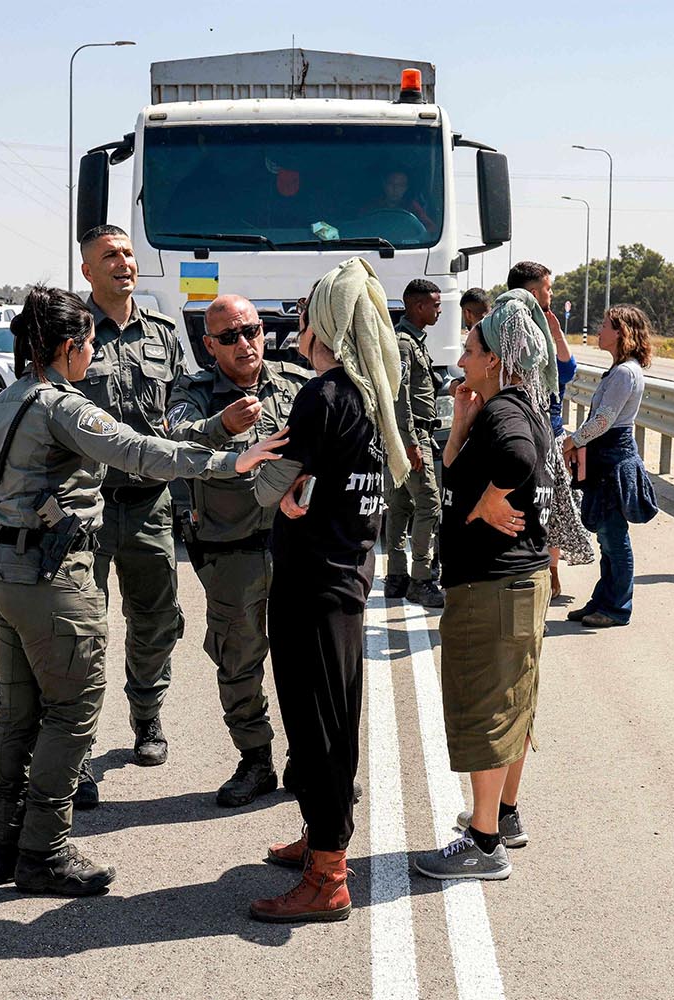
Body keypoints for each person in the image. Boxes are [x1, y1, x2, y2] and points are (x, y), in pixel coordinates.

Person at [0, 287, 285, 896]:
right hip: (53, 579)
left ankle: (4, 845)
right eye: (88, 345)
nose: (93, 356)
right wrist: (230, 463)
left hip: (4, 571)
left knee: (18, 714)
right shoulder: (63, 406)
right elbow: (140, 452)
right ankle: (45, 851)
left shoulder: (3, 401)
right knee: (69, 715)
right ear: (69, 347)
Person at [248, 257, 409, 923]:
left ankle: (327, 878)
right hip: (346, 578)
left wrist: (273, 481)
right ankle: (321, 840)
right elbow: (321, 480)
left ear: (328, 322)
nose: (300, 321)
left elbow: (273, 482)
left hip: (312, 584)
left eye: (309, 310)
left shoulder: (324, 395)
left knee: (317, 729)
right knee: (334, 719)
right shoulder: (372, 394)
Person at [415, 289, 554, 881]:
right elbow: (453, 477)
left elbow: (519, 463)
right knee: (512, 705)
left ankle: (484, 841)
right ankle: (506, 815)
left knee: (486, 709)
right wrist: (460, 428)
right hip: (513, 588)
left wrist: (486, 504)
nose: (463, 357)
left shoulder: (506, 417)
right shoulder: (509, 407)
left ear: (495, 357)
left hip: (492, 591)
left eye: (470, 348)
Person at [167, 294, 309, 807]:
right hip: (233, 555)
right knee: (239, 661)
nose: (244, 343)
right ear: (210, 345)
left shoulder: (296, 384)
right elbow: (178, 444)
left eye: (250, 330)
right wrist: (221, 427)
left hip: (297, 548)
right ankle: (255, 761)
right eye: (229, 337)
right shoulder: (196, 393)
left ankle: (307, 762)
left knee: (305, 659)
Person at [77, 224, 187, 773]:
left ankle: (148, 718)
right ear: (87, 271)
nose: (123, 262)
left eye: (127, 253)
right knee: (82, 627)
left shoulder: (164, 335)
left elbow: (182, 407)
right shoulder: (71, 335)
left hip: (149, 504)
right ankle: (79, 748)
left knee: (156, 618)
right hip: (87, 506)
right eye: (110, 256)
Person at [562, 305, 659, 628]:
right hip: (607, 458)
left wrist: (572, 441)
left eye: (604, 325)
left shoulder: (624, 373)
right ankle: (602, 600)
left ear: (621, 332)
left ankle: (617, 608)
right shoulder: (619, 370)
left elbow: (604, 419)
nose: (599, 330)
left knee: (615, 540)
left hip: (614, 460)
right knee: (607, 539)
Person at [506, 261, 595, 601]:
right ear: (531, 291)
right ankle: (526, 569)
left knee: (554, 508)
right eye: (547, 288)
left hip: (552, 433)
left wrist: (556, 331)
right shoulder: (511, 328)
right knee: (525, 507)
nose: (551, 293)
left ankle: (551, 569)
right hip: (523, 431)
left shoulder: (545, 327)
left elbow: (567, 370)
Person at [383, 278, 445, 608]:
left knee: (401, 505)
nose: (439, 310)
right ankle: (421, 579)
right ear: (418, 306)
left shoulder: (412, 340)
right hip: (411, 435)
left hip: (403, 436)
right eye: (435, 305)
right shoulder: (404, 344)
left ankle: (396, 577)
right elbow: (399, 396)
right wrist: (411, 443)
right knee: (429, 504)